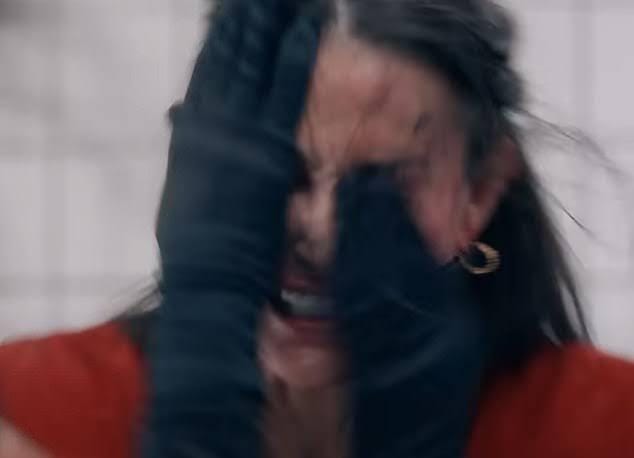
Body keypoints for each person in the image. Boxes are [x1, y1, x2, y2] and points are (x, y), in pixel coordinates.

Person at [1, 0, 634, 457]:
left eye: (387, 182)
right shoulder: (28, 413)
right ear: (195, 172)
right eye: (281, 172)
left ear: (480, 192)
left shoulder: (606, 427)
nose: (324, 227)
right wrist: (203, 394)